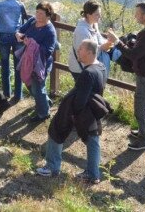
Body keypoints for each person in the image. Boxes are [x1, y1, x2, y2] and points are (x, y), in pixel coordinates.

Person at [36, 40, 108, 184]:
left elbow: (80, 100)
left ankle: (51, 167)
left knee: (56, 130)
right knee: (93, 140)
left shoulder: (87, 73)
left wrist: (73, 115)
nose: (77, 51)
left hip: (80, 111)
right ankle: (93, 174)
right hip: (92, 110)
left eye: (81, 49)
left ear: (89, 52)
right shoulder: (101, 67)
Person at [108, 2, 145, 150]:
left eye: (137, 14)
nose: (135, 16)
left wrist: (117, 41)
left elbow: (133, 55)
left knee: (140, 107)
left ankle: (144, 139)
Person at [16, 1, 57, 122]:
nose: (38, 15)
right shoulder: (32, 21)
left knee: (38, 88)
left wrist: (32, 44)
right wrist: (18, 35)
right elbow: (21, 29)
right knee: (31, 85)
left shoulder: (50, 31)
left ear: (48, 16)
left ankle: (43, 114)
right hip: (28, 61)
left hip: (41, 64)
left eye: (41, 13)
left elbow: (48, 51)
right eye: (37, 12)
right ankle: (45, 102)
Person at [68, 0, 113, 81]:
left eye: (100, 14)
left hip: (89, 67)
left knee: (87, 92)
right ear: (88, 15)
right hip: (80, 69)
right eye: (97, 15)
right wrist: (102, 47)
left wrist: (108, 42)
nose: (99, 17)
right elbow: (83, 53)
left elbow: (98, 38)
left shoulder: (93, 24)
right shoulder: (82, 32)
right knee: (85, 92)